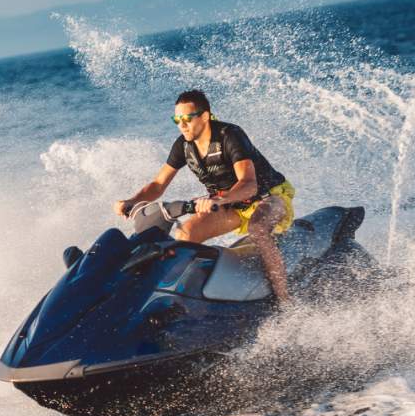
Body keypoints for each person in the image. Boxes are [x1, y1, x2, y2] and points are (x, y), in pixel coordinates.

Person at [115, 89, 296, 303]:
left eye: (187, 118)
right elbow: (158, 184)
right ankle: (188, 301)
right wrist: (132, 201)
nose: (181, 125)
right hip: (231, 207)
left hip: (268, 197)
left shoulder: (229, 135)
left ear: (204, 116)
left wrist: (218, 200)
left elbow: (248, 184)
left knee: (258, 228)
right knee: (186, 234)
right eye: (177, 119)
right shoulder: (182, 146)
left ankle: (284, 299)